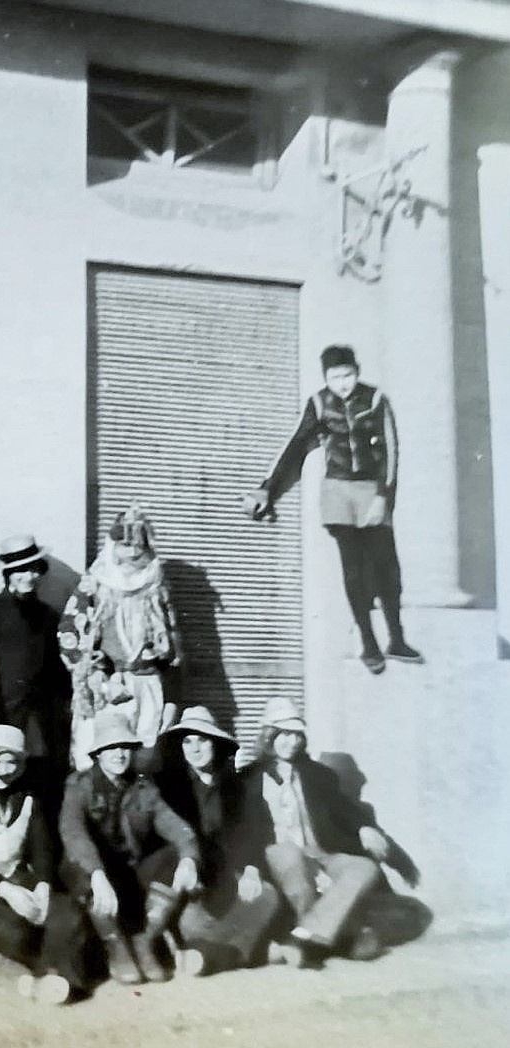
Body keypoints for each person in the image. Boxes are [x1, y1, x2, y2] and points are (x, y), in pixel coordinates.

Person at [243, 345, 422, 675]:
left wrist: (385, 497)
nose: (343, 383)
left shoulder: (376, 399)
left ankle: (396, 638)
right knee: (353, 568)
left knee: (387, 568)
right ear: (326, 377)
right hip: (337, 492)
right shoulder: (318, 402)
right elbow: (295, 446)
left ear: (357, 371)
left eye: (348, 375)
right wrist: (266, 487)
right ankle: (368, 642)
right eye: (335, 377)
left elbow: (392, 452)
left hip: (371, 490)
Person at [237, 696, 389, 968]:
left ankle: (307, 937)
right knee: (290, 856)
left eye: (296, 734)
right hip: (279, 854)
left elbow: (343, 807)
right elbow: (243, 828)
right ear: (268, 736)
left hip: (320, 851)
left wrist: (365, 827)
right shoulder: (247, 778)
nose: (290, 741)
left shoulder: (318, 774)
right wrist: (249, 866)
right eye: (283, 734)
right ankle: (338, 938)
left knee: (364, 868)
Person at [0, 725, 89, 1005]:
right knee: (13, 927)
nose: (6, 767)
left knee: (68, 914)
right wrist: (5, 890)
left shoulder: (27, 800)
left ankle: (59, 980)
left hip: (19, 876)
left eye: (13, 760)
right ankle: (44, 971)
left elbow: (41, 849)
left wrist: (44, 884)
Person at [59, 707, 199, 985]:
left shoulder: (143, 788)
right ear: (98, 753)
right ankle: (116, 946)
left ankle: (145, 940)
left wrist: (189, 857)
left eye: (125, 746)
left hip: (129, 873)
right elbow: (73, 833)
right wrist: (97, 874)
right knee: (77, 867)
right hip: (94, 872)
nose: (119, 754)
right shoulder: (79, 785)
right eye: (111, 747)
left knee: (173, 856)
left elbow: (176, 827)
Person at [155, 706, 281, 975]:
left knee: (267, 897)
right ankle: (249, 952)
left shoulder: (237, 786)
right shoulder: (169, 788)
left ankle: (213, 956)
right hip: (193, 882)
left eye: (203, 740)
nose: (195, 748)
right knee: (192, 924)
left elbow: (253, 831)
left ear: (216, 743)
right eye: (187, 741)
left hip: (229, 878)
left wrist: (251, 868)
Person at [58, 503, 180, 771]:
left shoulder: (157, 587)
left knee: (145, 760)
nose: (133, 553)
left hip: (147, 685)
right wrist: (94, 670)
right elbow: (69, 633)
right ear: (113, 547)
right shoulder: (95, 583)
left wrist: (171, 697)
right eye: (125, 545)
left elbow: (173, 649)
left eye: (140, 545)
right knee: (99, 757)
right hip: (107, 686)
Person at [0, 534, 71, 827]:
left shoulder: (48, 616)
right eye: (21, 570)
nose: (29, 577)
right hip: (3, 717)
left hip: (40, 722)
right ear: (8, 574)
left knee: (40, 788)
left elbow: (57, 673)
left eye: (34, 570)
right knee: (3, 785)